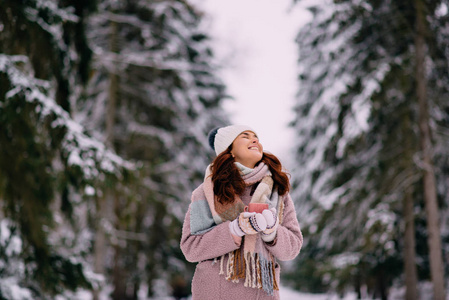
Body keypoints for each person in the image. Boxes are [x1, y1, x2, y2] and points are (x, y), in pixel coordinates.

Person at [180, 125, 303, 299]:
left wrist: (272, 232)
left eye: (256, 137)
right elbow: (191, 248)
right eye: (245, 136)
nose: (255, 140)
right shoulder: (206, 192)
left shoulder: (278, 192)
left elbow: (292, 248)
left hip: (263, 293)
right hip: (216, 292)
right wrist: (234, 230)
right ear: (229, 150)